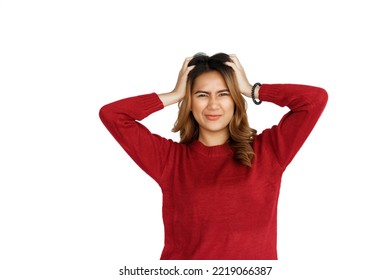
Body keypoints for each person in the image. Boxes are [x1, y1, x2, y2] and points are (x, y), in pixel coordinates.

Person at [99, 53, 328, 260]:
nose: (213, 105)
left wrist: (252, 89)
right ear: (190, 102)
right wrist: (176, 94)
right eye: (201, 95)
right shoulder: (170, 160)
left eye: (224, 94)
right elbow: (113, 115)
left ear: (236, 100)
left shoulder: (269, 151)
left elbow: (314, 100)